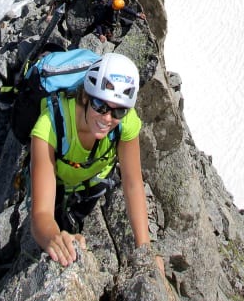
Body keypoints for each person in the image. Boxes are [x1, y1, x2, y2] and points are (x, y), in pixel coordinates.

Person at [30, 52, 163, 273]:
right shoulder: (49, 126)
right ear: (85, 96)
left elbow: (132, 183)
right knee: (57, 217)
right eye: (100, 105)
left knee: (76, 215)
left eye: (118, 110)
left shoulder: (126, 123)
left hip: (91, 186)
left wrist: (145, 250)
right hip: (59, 183)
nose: (107, 118)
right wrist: (54, 238)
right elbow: (40, 214)